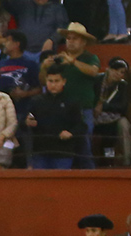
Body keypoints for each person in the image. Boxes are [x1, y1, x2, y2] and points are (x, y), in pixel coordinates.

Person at [39, 23, 99, 170]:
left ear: (83, 42)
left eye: (75, 38)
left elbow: (93, 72)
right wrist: (44, 67)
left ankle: (89, 174)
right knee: (62, 144)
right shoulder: (59, 60)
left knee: (84, 143)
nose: (70, 41)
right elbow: (43, 81)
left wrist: (73, 61)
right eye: (68, 38)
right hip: (62, 109)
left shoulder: (90, 57)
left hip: (84, 108)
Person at [26, 65, 85, 170]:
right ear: (46, 81)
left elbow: (81, 126)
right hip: (40, 152)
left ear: (64, 81)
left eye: (57, 81)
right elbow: (24, 122)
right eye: (50, 81)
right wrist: (27, 122)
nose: (53, 85)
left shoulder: (72, 102)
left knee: (61, 185)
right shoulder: (36, 101)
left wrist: (70, 133)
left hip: (63, 152)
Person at [93, 58, 130, 167]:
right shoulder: (97, 80)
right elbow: (90, 97)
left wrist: (103, 106)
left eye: (122, 72)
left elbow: (122, 107)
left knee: (120, 127)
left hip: (114, 117)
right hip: (94, 114)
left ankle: (116, 159)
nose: (118, 74)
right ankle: (86, 160)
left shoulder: (123, 85)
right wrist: (95, 107)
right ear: (108, 69)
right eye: (115, 70)